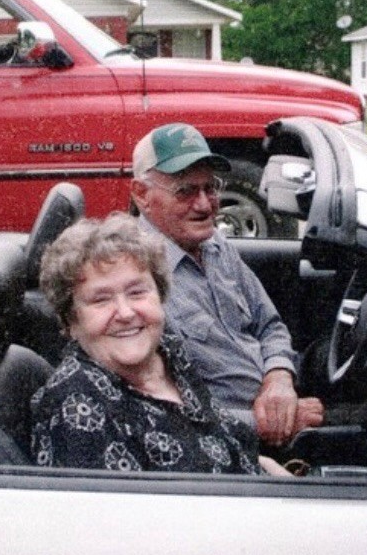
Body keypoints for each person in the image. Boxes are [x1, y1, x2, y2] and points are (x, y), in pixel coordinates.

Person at [30, 213, 289, 476]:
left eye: (137, 292)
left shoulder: (167, 352)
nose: (126, 313)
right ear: (71, 320)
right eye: (101, 300)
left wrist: (266, 468)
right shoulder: (77, 408)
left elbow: (218, 434)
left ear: (161, 295)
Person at [129, 123, 324, 447]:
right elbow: (158, 409)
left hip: (280, 393)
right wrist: (264, 423)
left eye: (211, 188)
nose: (205, 205)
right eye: (185, 191)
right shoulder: (135, 279)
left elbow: (269, 324)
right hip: (230, 439)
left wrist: (278, 377)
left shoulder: (215, 244)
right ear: (141, 194)